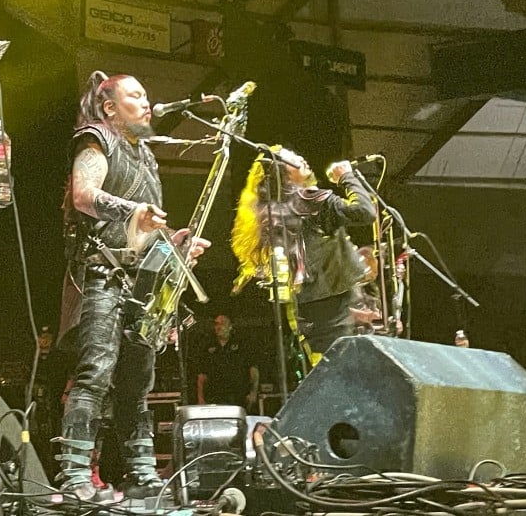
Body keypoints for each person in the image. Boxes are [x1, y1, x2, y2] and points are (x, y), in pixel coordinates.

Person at [55, 71, 209, 503]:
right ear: (109, 107)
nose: (146, 103)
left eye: (147, 95)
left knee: (137, 384)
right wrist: (132, 210)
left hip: (140, 282)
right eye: (135, 96)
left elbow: (144, 230)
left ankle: (140, 472)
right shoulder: (95, 138)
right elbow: (85, 195)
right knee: (95, 374)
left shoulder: (146, 156)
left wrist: (176, 241)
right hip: (102, 275)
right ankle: (74, 477)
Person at [230, 147, 375, 361]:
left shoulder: (270, 212)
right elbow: (365, 212)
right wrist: (346, 176)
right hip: (336, 305)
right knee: (353, 374)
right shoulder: (309, 200)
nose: (301, 157)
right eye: (292, 158)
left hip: (307, 309)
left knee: (328, 374)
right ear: (281, 172)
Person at [194, 314, 259, 411]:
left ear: (230, 326)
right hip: (214, 396)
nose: (219, 327)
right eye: (216, 324)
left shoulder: (241, 344)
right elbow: (202, 375)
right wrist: (200, 398)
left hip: (238, 395)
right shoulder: (208, 345)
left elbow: (253, 370)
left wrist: (253, 392)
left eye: (223, 324)